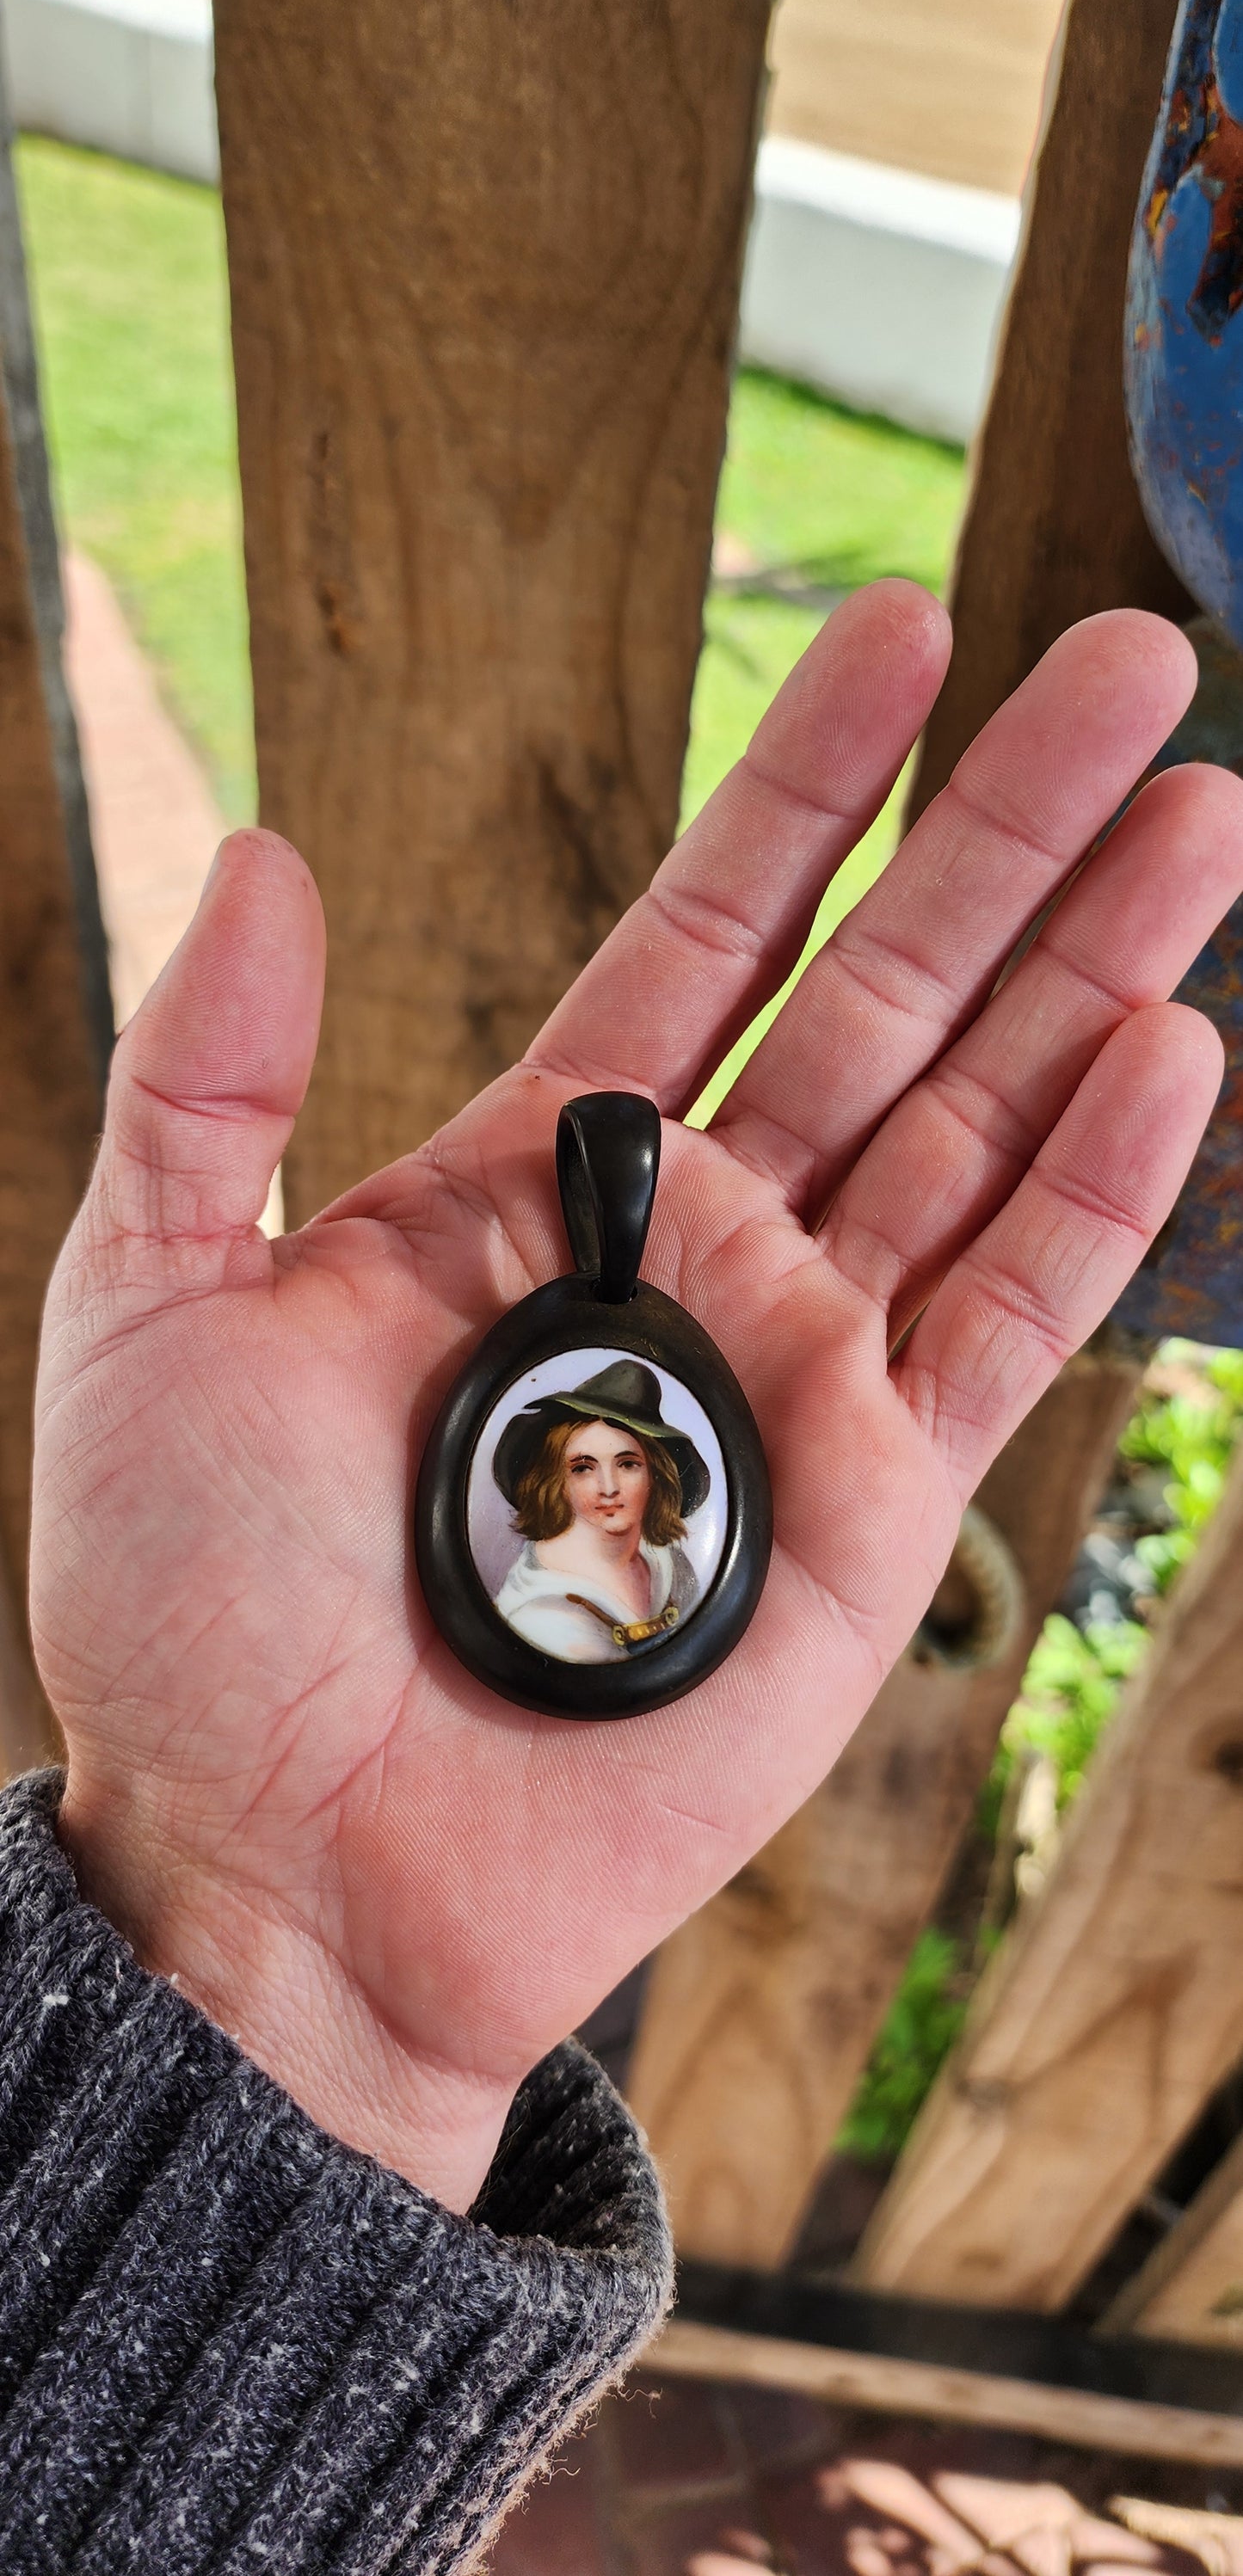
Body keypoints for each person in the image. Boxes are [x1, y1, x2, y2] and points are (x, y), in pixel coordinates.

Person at [3, 587, 1240, 2573]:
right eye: (564, 1454)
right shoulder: (534, 1517)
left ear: (645, 1469)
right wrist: (252, 1935)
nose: (583, 1468)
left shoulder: (649, 1559)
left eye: (604, 1457)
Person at [490, 1361, 706, 1659]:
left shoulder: (669, 1564)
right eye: (583, 1468)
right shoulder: (541, 1615)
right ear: (556, 1480)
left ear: (657, 1476)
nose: (608, 1488)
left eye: (627, 1464)